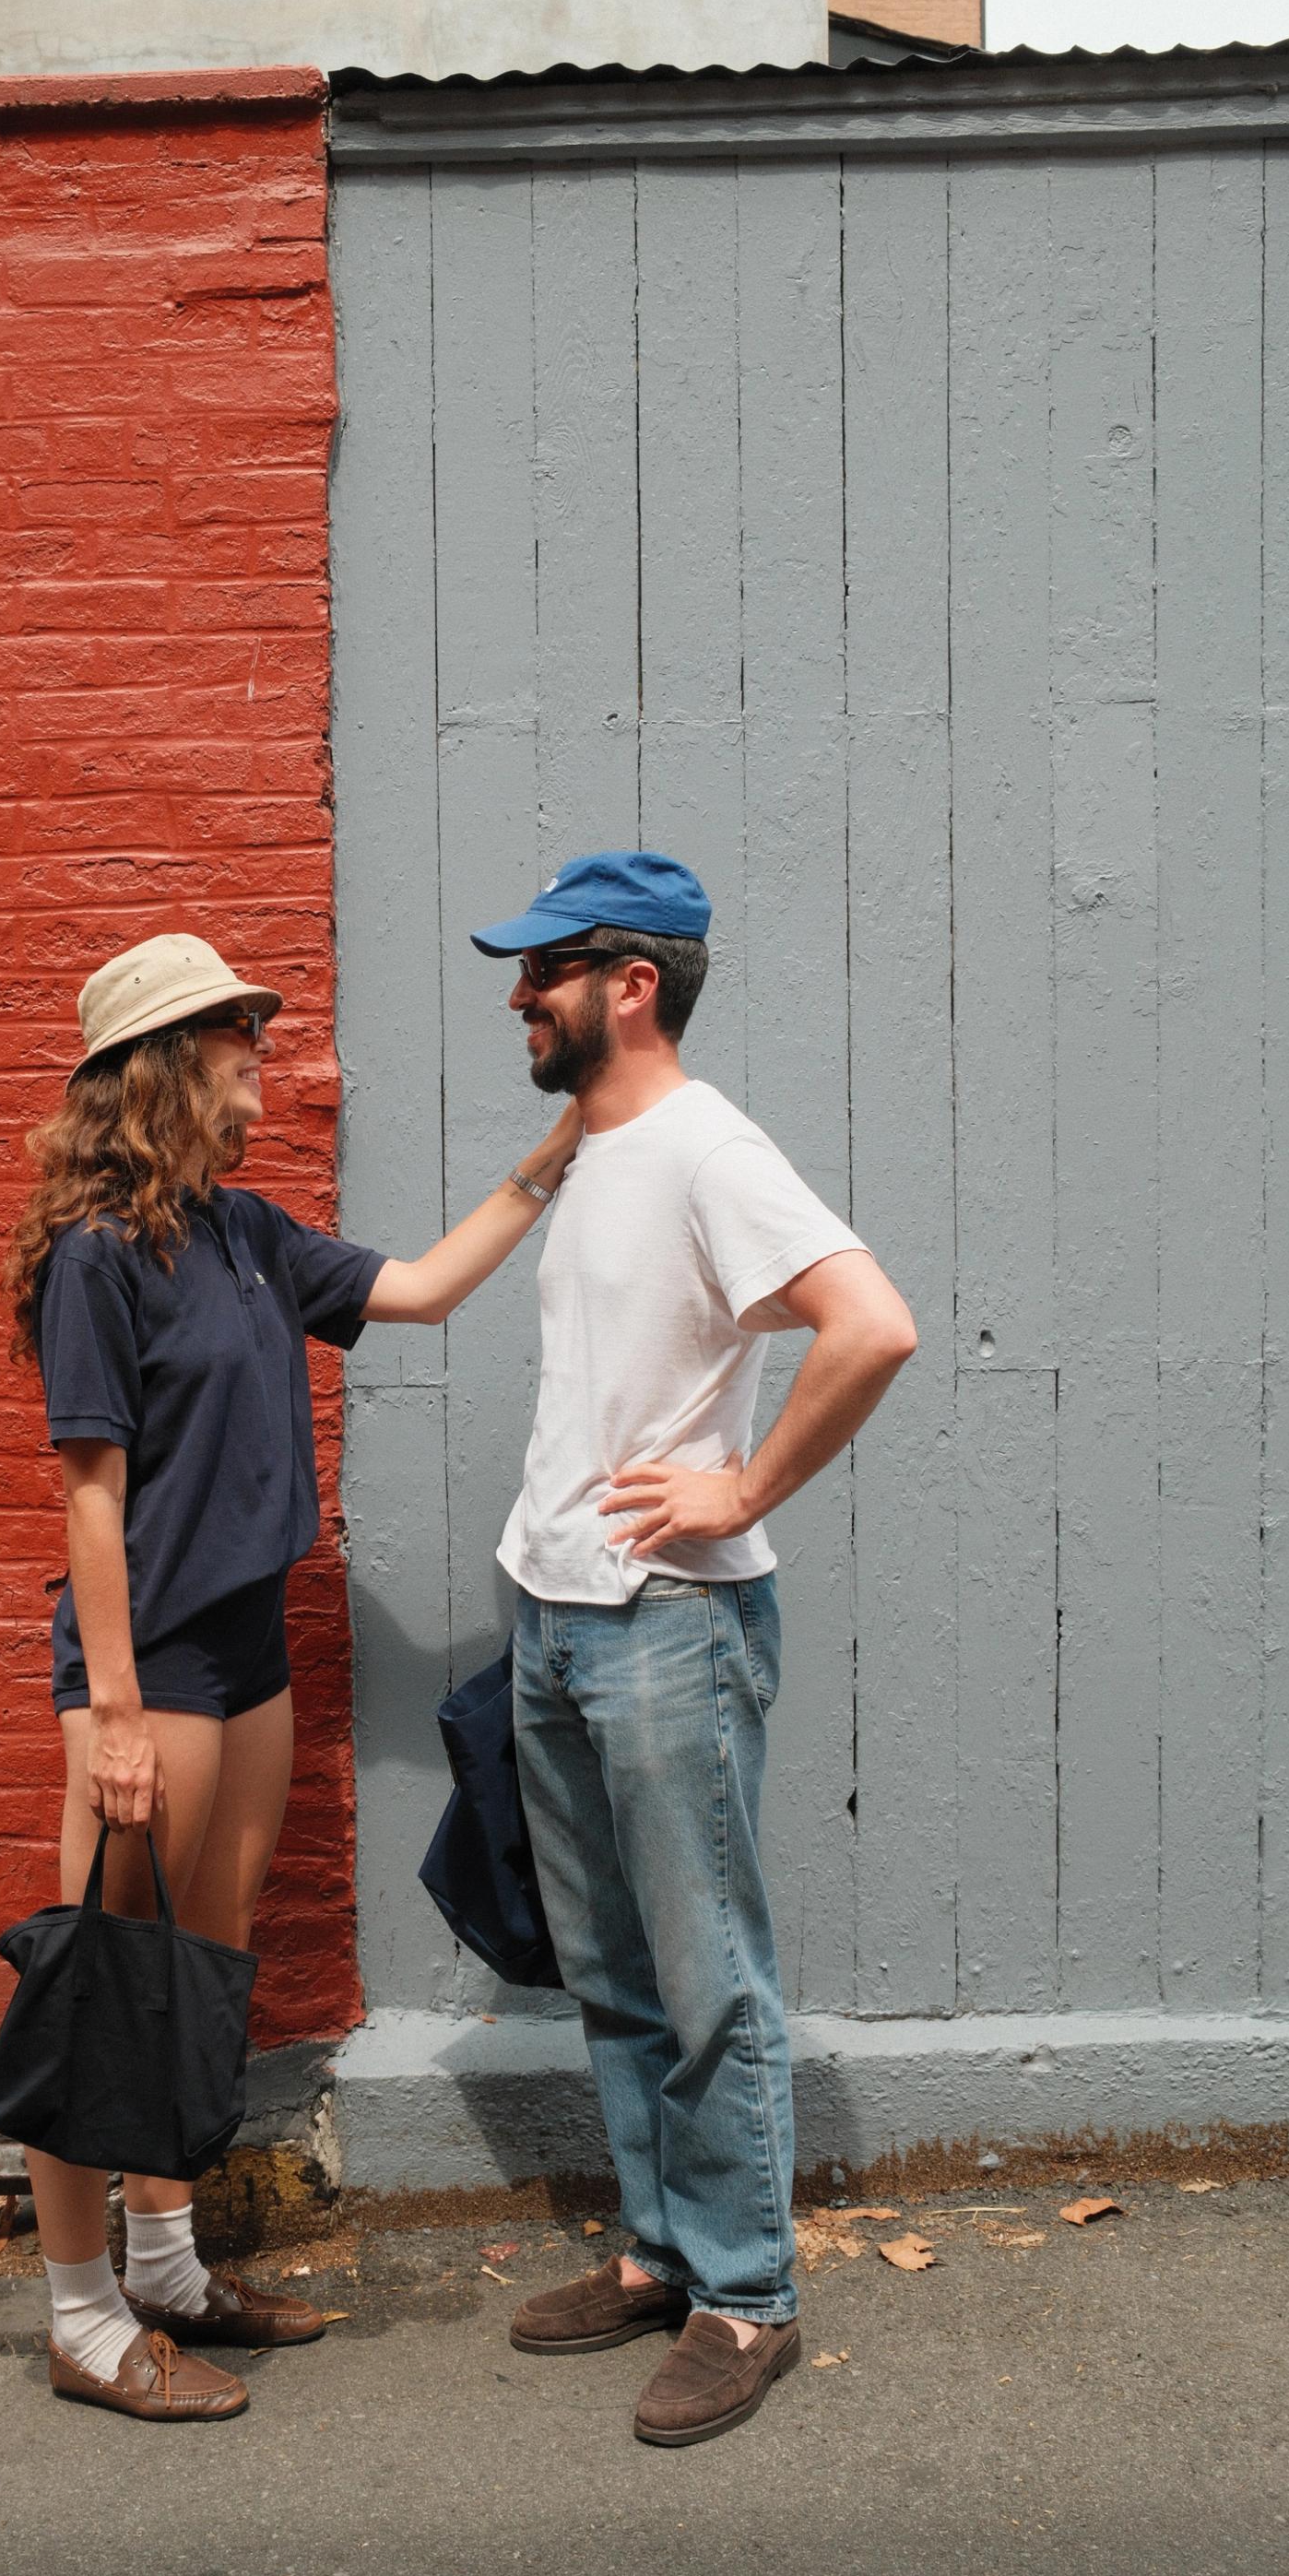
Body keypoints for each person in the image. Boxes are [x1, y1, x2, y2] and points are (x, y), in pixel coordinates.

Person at [1, 929, 581, 2424]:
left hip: (248, 1656)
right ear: (163, 1065)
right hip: (152, 1670)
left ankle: (167, 2267)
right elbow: (88, 1498)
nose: (263, 1052)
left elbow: (424, 1289)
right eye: (236, 1034)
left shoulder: (247, 1234)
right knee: (103, 1993)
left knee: (196, 1974)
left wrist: (552, 1157)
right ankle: (81, 2319)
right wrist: (113, 1715)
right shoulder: (98, 1257)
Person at [468, 852, 916, 2449]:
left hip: (667, 1623)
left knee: (706, 1974)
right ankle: (663, 2250)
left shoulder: (711, 1149)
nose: (520, 998)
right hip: (559, 1611)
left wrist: (740, 1487)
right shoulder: (602, 1150)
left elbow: (872, 1323)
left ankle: (746, 2295)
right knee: (612, 1972)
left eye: (544, 972)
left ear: (631, 984)